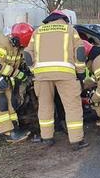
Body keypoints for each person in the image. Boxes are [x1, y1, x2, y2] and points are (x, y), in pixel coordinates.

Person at [24, 10, 88, 150]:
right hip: (65, 74)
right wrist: (81, 73)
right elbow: (80, 53)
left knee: (45, 106)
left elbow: (27, 54)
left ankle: (47, 138)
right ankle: (76, 141)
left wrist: (34, 70)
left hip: (42, 76)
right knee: (72, 107)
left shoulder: (38, 31)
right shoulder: (69, 30)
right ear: (64, 19)